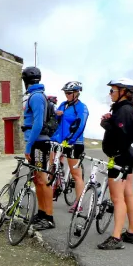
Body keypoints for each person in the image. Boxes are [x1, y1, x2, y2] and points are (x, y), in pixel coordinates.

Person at [97, 78, 133, 250]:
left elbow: (123, 136)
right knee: (127, 193)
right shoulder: (125, 109)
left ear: (123, 92)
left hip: (119, 158)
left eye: (112, 90)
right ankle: (132, 232)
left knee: (117, 198)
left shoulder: (124, 110)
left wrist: (107, 124)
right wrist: (110, 121)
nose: (110, 94)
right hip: (126, 156)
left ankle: (116, 237)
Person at [21, 66, 56, 230]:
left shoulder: (35, 97)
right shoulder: (37, 95)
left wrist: (28, 146)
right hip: (37, 142)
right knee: (38, 179)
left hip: (38, 143)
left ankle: (48, 217)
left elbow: (38, 123)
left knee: (43, 180)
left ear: (25, 81)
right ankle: (42, 213)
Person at [52, 81, 89, 213]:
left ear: (77, 93)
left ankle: (78, 203)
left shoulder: (81, 108)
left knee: (76, 175)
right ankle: (56, 186)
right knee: (52, 164)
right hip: (60, 141)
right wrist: (56, 115)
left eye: (69, 93)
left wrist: (71, 140)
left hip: (75, 143)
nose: (66, 95)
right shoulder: (63, 105)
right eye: (65, 93)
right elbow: (56, 123)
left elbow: (80, 126)